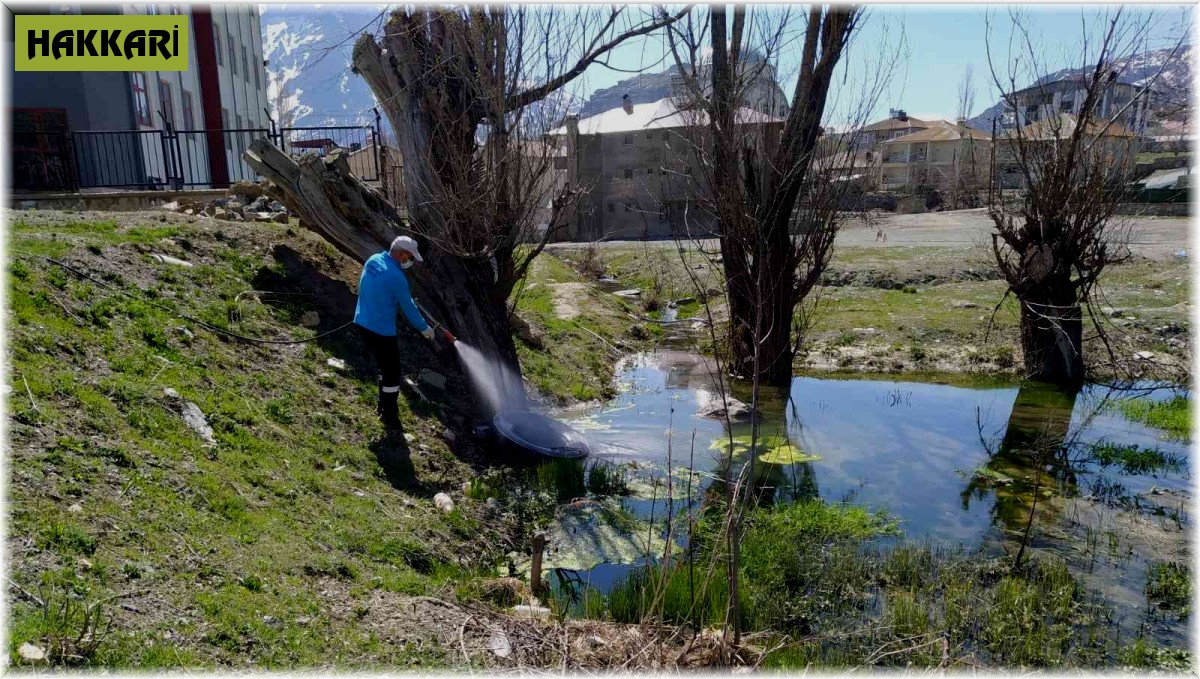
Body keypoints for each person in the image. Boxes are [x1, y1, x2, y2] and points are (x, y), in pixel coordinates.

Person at [353, 235, 455, 432]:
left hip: (361, 320)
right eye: (409, 257)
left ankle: (383, 405)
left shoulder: (373, 260)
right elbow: (408, 307)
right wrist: (425, 329)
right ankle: (389, 416)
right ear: (400, 253)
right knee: (392, 373)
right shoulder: (396, 277)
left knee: (385, 367)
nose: (410, 262)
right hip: (380, 329)